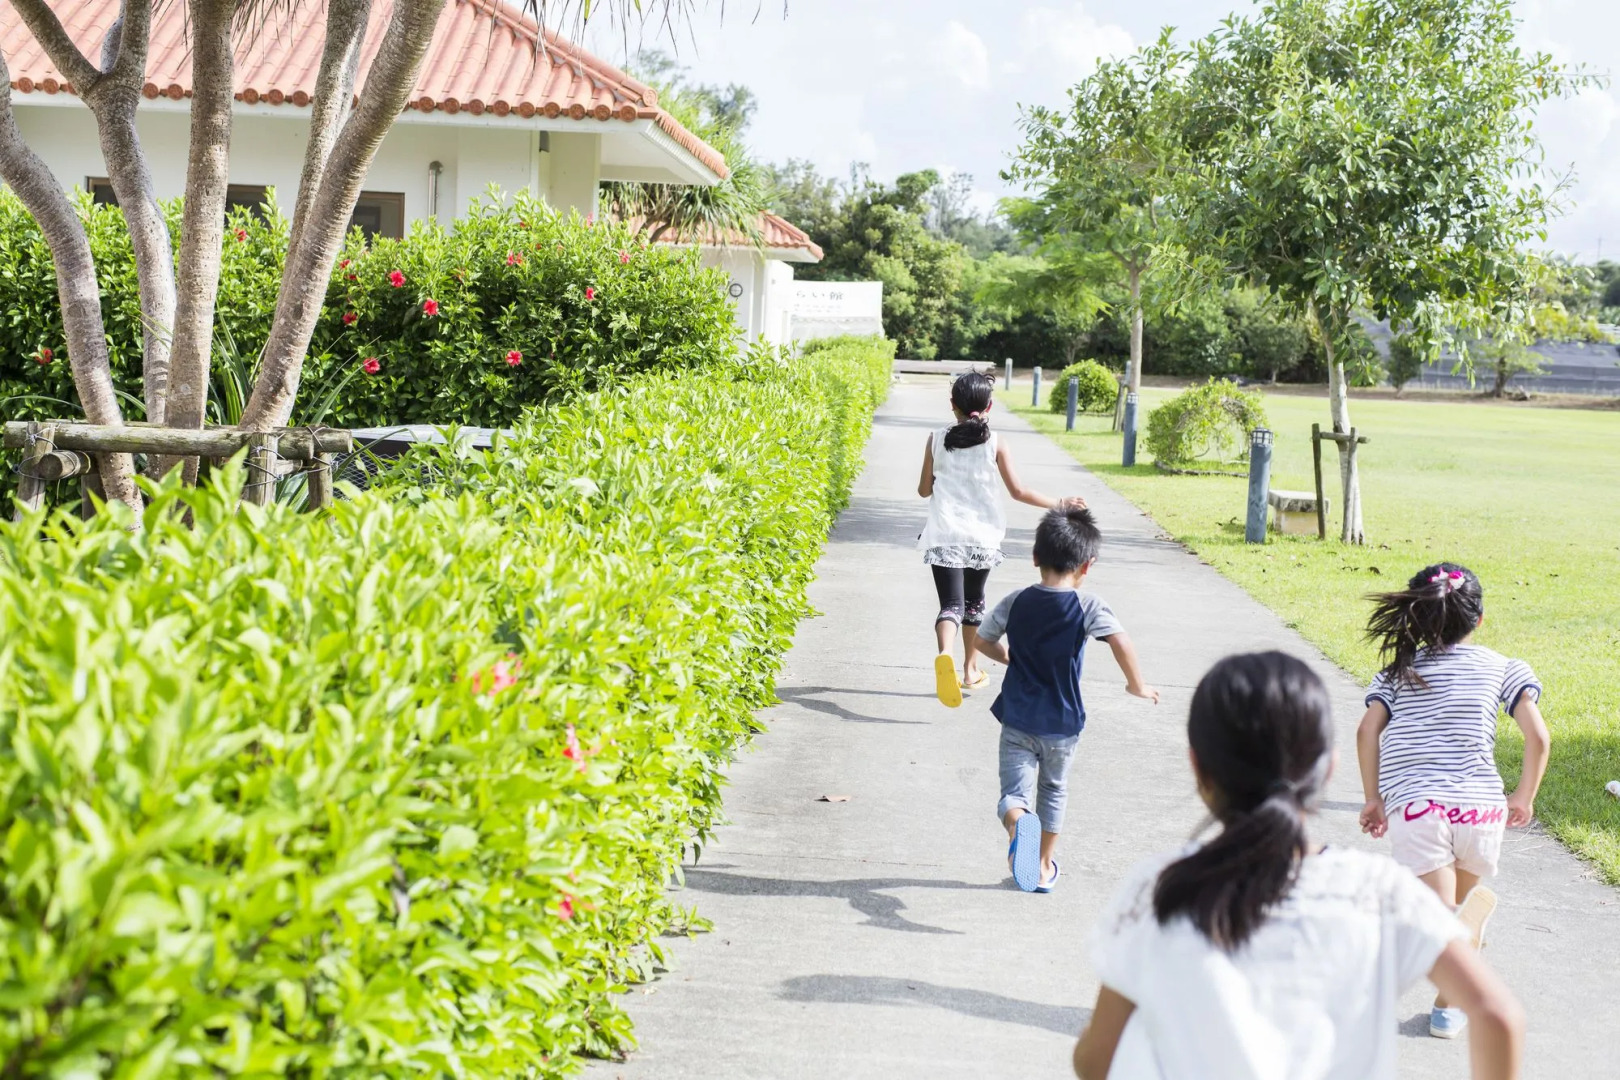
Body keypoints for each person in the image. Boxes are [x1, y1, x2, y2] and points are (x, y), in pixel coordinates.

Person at [1076, 651, 1526, 1080]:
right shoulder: (1378, 892)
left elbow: (1096, 1059)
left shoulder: (1159, 886)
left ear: (1198, 766)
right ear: (1328, 769)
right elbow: (1497, 1016)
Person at [1356, 562, 1550, 1040]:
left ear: (1415, 620)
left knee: (1441, 919)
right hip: (1481, 808)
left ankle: (1442, 951)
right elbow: (1538, 738)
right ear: (1478, 619)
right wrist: (1523, 795)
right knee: (1462, 909)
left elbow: (1367, 731)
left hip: (1420, 807)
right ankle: (1447, 1009)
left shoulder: (1395, 673)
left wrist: (1373, 798)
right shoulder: (1505, 667)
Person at [972, 506, 1158, 893]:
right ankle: (1041, 865)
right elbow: (1120, 640)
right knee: (1054, 792)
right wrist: (1136, 684)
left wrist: (1009, 656)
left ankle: (1018, 822)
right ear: (1087, 566)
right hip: (1063, 723)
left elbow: (982, 640)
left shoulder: (1016, 600)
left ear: (1035, 557)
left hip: (1018, 719)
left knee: (1013, 795)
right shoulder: (1087, 605)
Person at [917, 371, 1081, 708]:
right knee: (974, 603)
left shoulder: (935, 438)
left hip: (944, 533)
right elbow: (1019, 491)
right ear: (989, 405)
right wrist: (1060, 503)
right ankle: (969, 669)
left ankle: (944, 654)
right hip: (983, 537)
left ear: (953, 406)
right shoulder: (995, 442)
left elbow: (923, 491)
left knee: (951, 605)